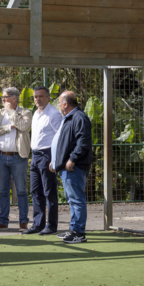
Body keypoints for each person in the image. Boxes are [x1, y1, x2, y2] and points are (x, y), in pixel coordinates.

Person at [0, 87, 33, 232]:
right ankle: (3, 220)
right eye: (2, 97)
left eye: (5, 97)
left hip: (18, 157)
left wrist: (12, 112)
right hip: (1, 157)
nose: (3, 100)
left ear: (14, 98)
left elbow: (24, 126)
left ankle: (23, 221)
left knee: (21, 191)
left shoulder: (25, 112)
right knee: (3, 191)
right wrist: (8, 127)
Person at [50, 91, 93, 244]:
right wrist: (55, 160)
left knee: (76, 199)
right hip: (66, 166)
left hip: (74, 167)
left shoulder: (79, 117)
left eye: (59, 103)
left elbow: (84, 142)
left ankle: (79, 233)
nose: (59, 105)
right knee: (72, 198)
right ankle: (74, 229)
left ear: (66, 104)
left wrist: (72, 159)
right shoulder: (69, 118)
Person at [22, 86, 62, 235]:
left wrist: (55, 158)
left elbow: (60, 138)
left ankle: (51, 226)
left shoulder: (54, 114)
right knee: (35, 191)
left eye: (40, 96)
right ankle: (38, 224)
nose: (37, 99)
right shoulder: (36, 113)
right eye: (35, 97)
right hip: (35, 155)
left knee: (49, 192)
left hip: (47, 155)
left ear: (48, 98)